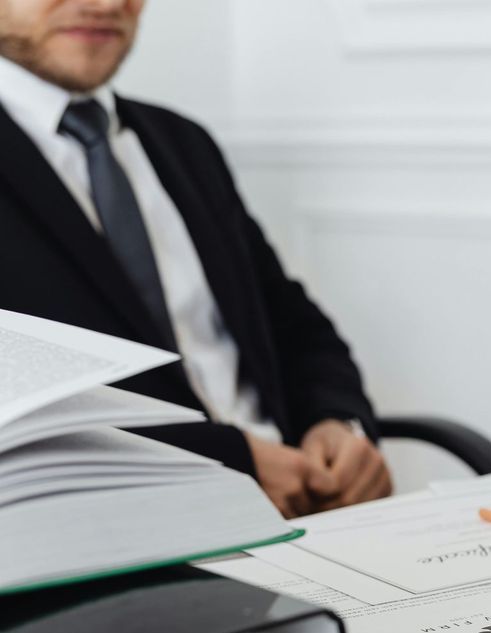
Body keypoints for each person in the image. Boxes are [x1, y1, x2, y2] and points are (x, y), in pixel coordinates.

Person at [0, 0, 392, 517]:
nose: (106, 4)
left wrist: (337, 423)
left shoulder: (183, 143)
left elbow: (291, 324)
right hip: (114, 537)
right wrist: (234, 461)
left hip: (304, 510)